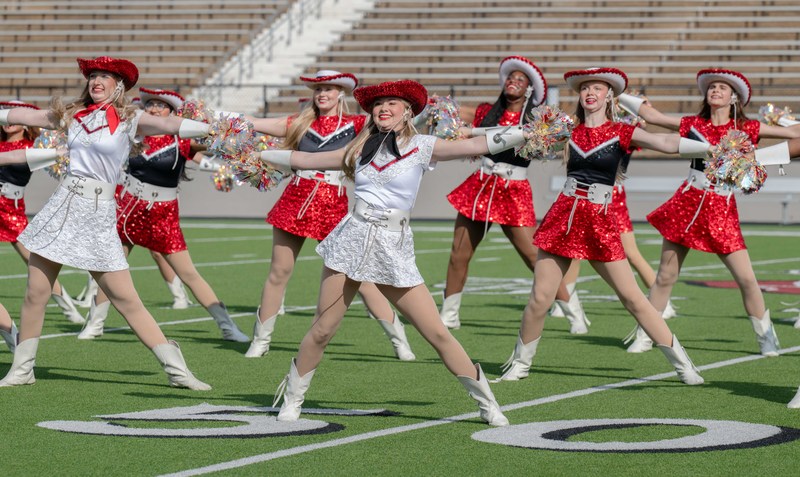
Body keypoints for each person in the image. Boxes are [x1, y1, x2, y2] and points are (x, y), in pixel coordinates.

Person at [260, 79, 533, 426]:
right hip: (352, 239)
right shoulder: (359, 148)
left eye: (392, 103)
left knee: (436, 332)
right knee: (322, 329)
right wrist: (256, 154)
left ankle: (488, 404)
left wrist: (529, 133)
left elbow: (476, 144)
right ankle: (293, 398)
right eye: (378, 104)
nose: (383, 109)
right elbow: (303, 157)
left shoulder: (423, 146)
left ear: (408, 111)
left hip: (393, 246)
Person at [0, 56, 214, 389]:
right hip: (63, 206)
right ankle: (22, 369)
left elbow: (173, 126)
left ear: (120, 86)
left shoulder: (131, 119)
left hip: (98, 211)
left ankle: (177, 370)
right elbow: (23, 115)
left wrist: (217, 127)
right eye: (93, 76)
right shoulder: (71, 115)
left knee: (126, 298)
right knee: (35, 292)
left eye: (105, 76)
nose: (96, 81)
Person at [494, 67, 709, 385]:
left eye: (597, 87)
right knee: (540, 297)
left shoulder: (623, 131)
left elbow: (663, 141)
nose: (589, 93)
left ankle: (683, 364)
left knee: (633, 297)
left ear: (610, 95)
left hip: (600, 219)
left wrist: (711, 148)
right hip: (564, 216)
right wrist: (482, 138)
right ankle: (520, 364)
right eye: (584, 89)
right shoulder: (566, 130)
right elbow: (524, 137)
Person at [617, 68, 800, 355]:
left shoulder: (747, 128)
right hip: (687, 203)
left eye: (722, 88)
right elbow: (653, 117)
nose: (715, 91)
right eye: (712, 87)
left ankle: (766, 337)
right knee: (666, 276)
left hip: (722, 208)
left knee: (747, 279)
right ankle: (647, 334)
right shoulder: (691, 123)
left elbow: (793, 135)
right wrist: (614, 91)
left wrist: (784, 119)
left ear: (734, 98)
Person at [245, 71, 415, 361]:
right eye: (318, 89)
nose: (322, 94)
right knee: (279, 272)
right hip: (295, 199)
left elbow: (397, 124)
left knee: (358, 278)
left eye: (329, 89)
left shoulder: (358, 124)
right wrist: (215, 121)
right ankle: (261, 340)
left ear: (341, 94)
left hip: (333, 203)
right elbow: (250, 124)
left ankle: (399, 338)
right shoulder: (298, 123)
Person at [77, 87, 249, 342]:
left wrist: (227, 160)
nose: (154, 109)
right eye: (150, 105)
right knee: (110, 266)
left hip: (164, 215)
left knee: (189, 273)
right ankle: (95, 322)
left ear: (171, 112)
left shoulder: (182, 140)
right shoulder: (133, 135)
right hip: (130, 208)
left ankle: (226, 325)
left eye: (161, 105)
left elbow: (212, 148)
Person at [440, 56, 588, 334]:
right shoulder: (487, 111)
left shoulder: (537, 120)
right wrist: (439, 110)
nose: (513, 82)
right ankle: (449, 314)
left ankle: (573, 312)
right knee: (458, 255)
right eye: (510, 78)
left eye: (521, 80)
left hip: (513, 191)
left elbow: (564, 130)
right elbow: (452, 117)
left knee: (534, 258)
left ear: (530, 89)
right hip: (481, 186)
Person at [0, 100, 85, 325]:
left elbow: (62, 162)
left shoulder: (35, 147)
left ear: (25, 124)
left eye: (16, 120)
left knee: (35, 261)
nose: (9, 124)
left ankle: (67, 306)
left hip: (11, 209)